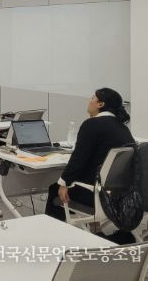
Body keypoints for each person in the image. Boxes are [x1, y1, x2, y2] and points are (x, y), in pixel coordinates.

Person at [45, 87, 134, 222]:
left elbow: (78, 159)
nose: (89, 100)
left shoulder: (91, 124)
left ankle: (55, 230)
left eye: (92, 98)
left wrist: (64, 183)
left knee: (54, 189)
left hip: (95, 195)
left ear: (100, 104)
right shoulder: (123, 128)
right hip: (118, 195)